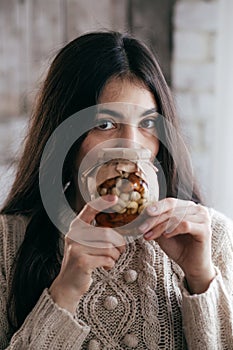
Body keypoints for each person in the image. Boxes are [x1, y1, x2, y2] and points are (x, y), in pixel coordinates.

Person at [0, 31, 232, 350]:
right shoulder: (7, 243)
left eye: (148, 124)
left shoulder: (211, 237)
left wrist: (200, 278)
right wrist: (63, 293)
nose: (131, 148)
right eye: (105, 125)